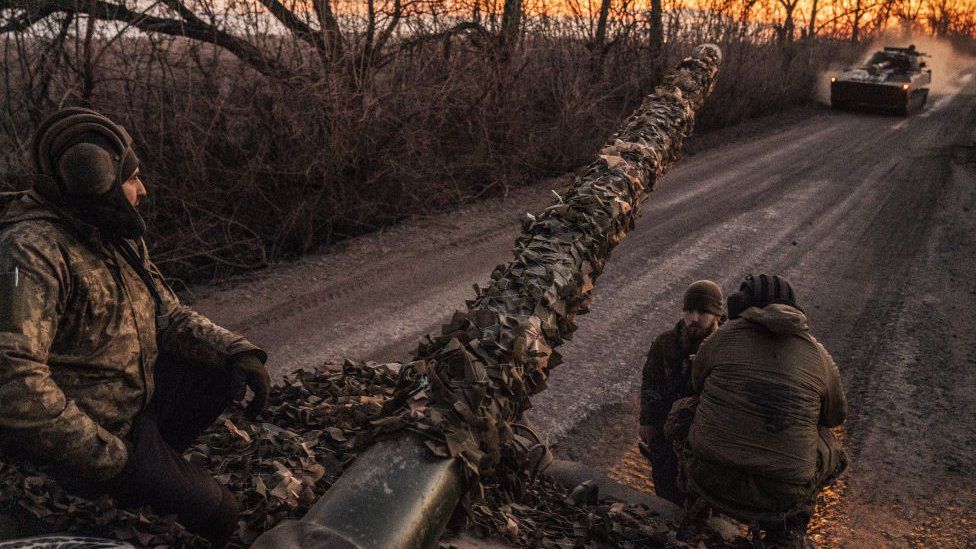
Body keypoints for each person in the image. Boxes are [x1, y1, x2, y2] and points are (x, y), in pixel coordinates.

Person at [0, 108, 271, 547]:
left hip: (131, 411)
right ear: (97, 181)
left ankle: (149, 479)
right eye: (132, 178)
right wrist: (112, 458)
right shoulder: (31, 253)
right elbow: (14, 383)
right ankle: (120, 487)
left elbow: (170, 314)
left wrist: (237, 351)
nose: (142, 191)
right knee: (222, 514)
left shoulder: (112, 232)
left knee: (219, 371)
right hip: (89, 440)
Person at [677, 274, 847, 548]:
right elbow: (835, 415)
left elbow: (697, 385)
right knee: (830, 443)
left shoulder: (723, 338)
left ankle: (695, 506)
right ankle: (789, 530)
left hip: (710, 477)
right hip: (780, 494)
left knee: (684, 411)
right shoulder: (818, 354)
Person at [638, 280, 723, 505]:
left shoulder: (725, 349)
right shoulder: (665, 343)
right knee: (665, 493)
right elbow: (650, 381)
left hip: (702, 442)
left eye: (703, 312)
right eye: (689, 311)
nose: (694, 318)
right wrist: (647, 421)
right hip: (666, 437)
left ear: (716, 315)